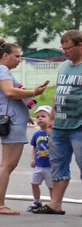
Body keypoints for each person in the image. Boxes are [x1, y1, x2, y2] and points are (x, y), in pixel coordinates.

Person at [0, 38, 49, 215]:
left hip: (12, 120)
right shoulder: (3, 71)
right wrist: (33, 92)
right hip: (13, 123)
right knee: (7, 165)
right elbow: (9, 92)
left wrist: (21, 112)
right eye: (17, 56)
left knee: (6, 165)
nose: (20, 59)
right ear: (6, 56)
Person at [35, 30, 82, 215]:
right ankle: (55, 204)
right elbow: (59, 94)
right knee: (58, 165)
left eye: (67, 48)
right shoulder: (63, 66)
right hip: (60, 126)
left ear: (80, 45)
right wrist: (52, 118)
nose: (64, 52)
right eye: (62, 48)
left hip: (79, 126)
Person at [28, 105, 54, 212]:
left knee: (51, 186)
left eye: (43, 116)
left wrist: (51, 135)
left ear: (51, 118)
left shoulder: (53, 133)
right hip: (38, 165)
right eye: (38, 117)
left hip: (50, 166)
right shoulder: (36, 134)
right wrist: (32, 158)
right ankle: (37, 202)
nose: (40, 119)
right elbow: (34, 148)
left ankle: (53, 203)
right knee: (34, 183)